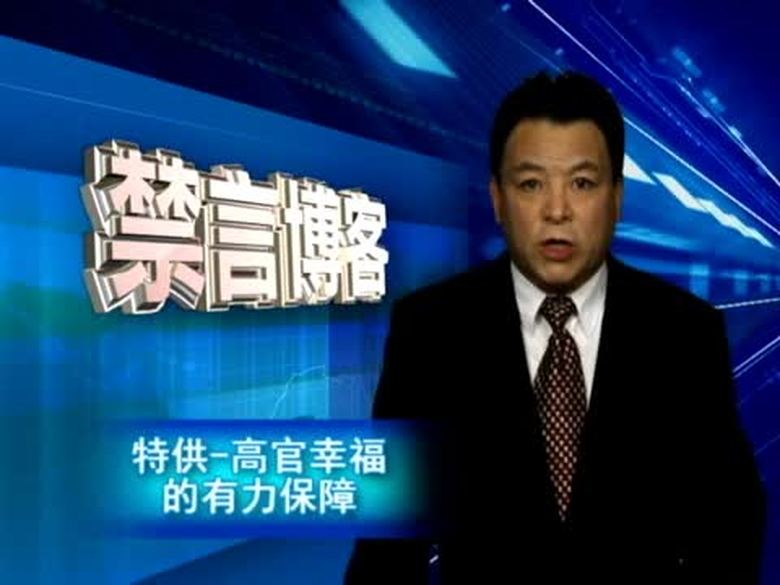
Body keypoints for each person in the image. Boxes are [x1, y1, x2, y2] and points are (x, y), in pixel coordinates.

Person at [344, 70, 766, 583]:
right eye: (531, 184)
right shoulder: (430, 330)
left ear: (617, 198)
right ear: (498, 199)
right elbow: (387, 550)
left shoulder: (685, 334)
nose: (557, 211)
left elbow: (731, 523)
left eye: (582, 183)